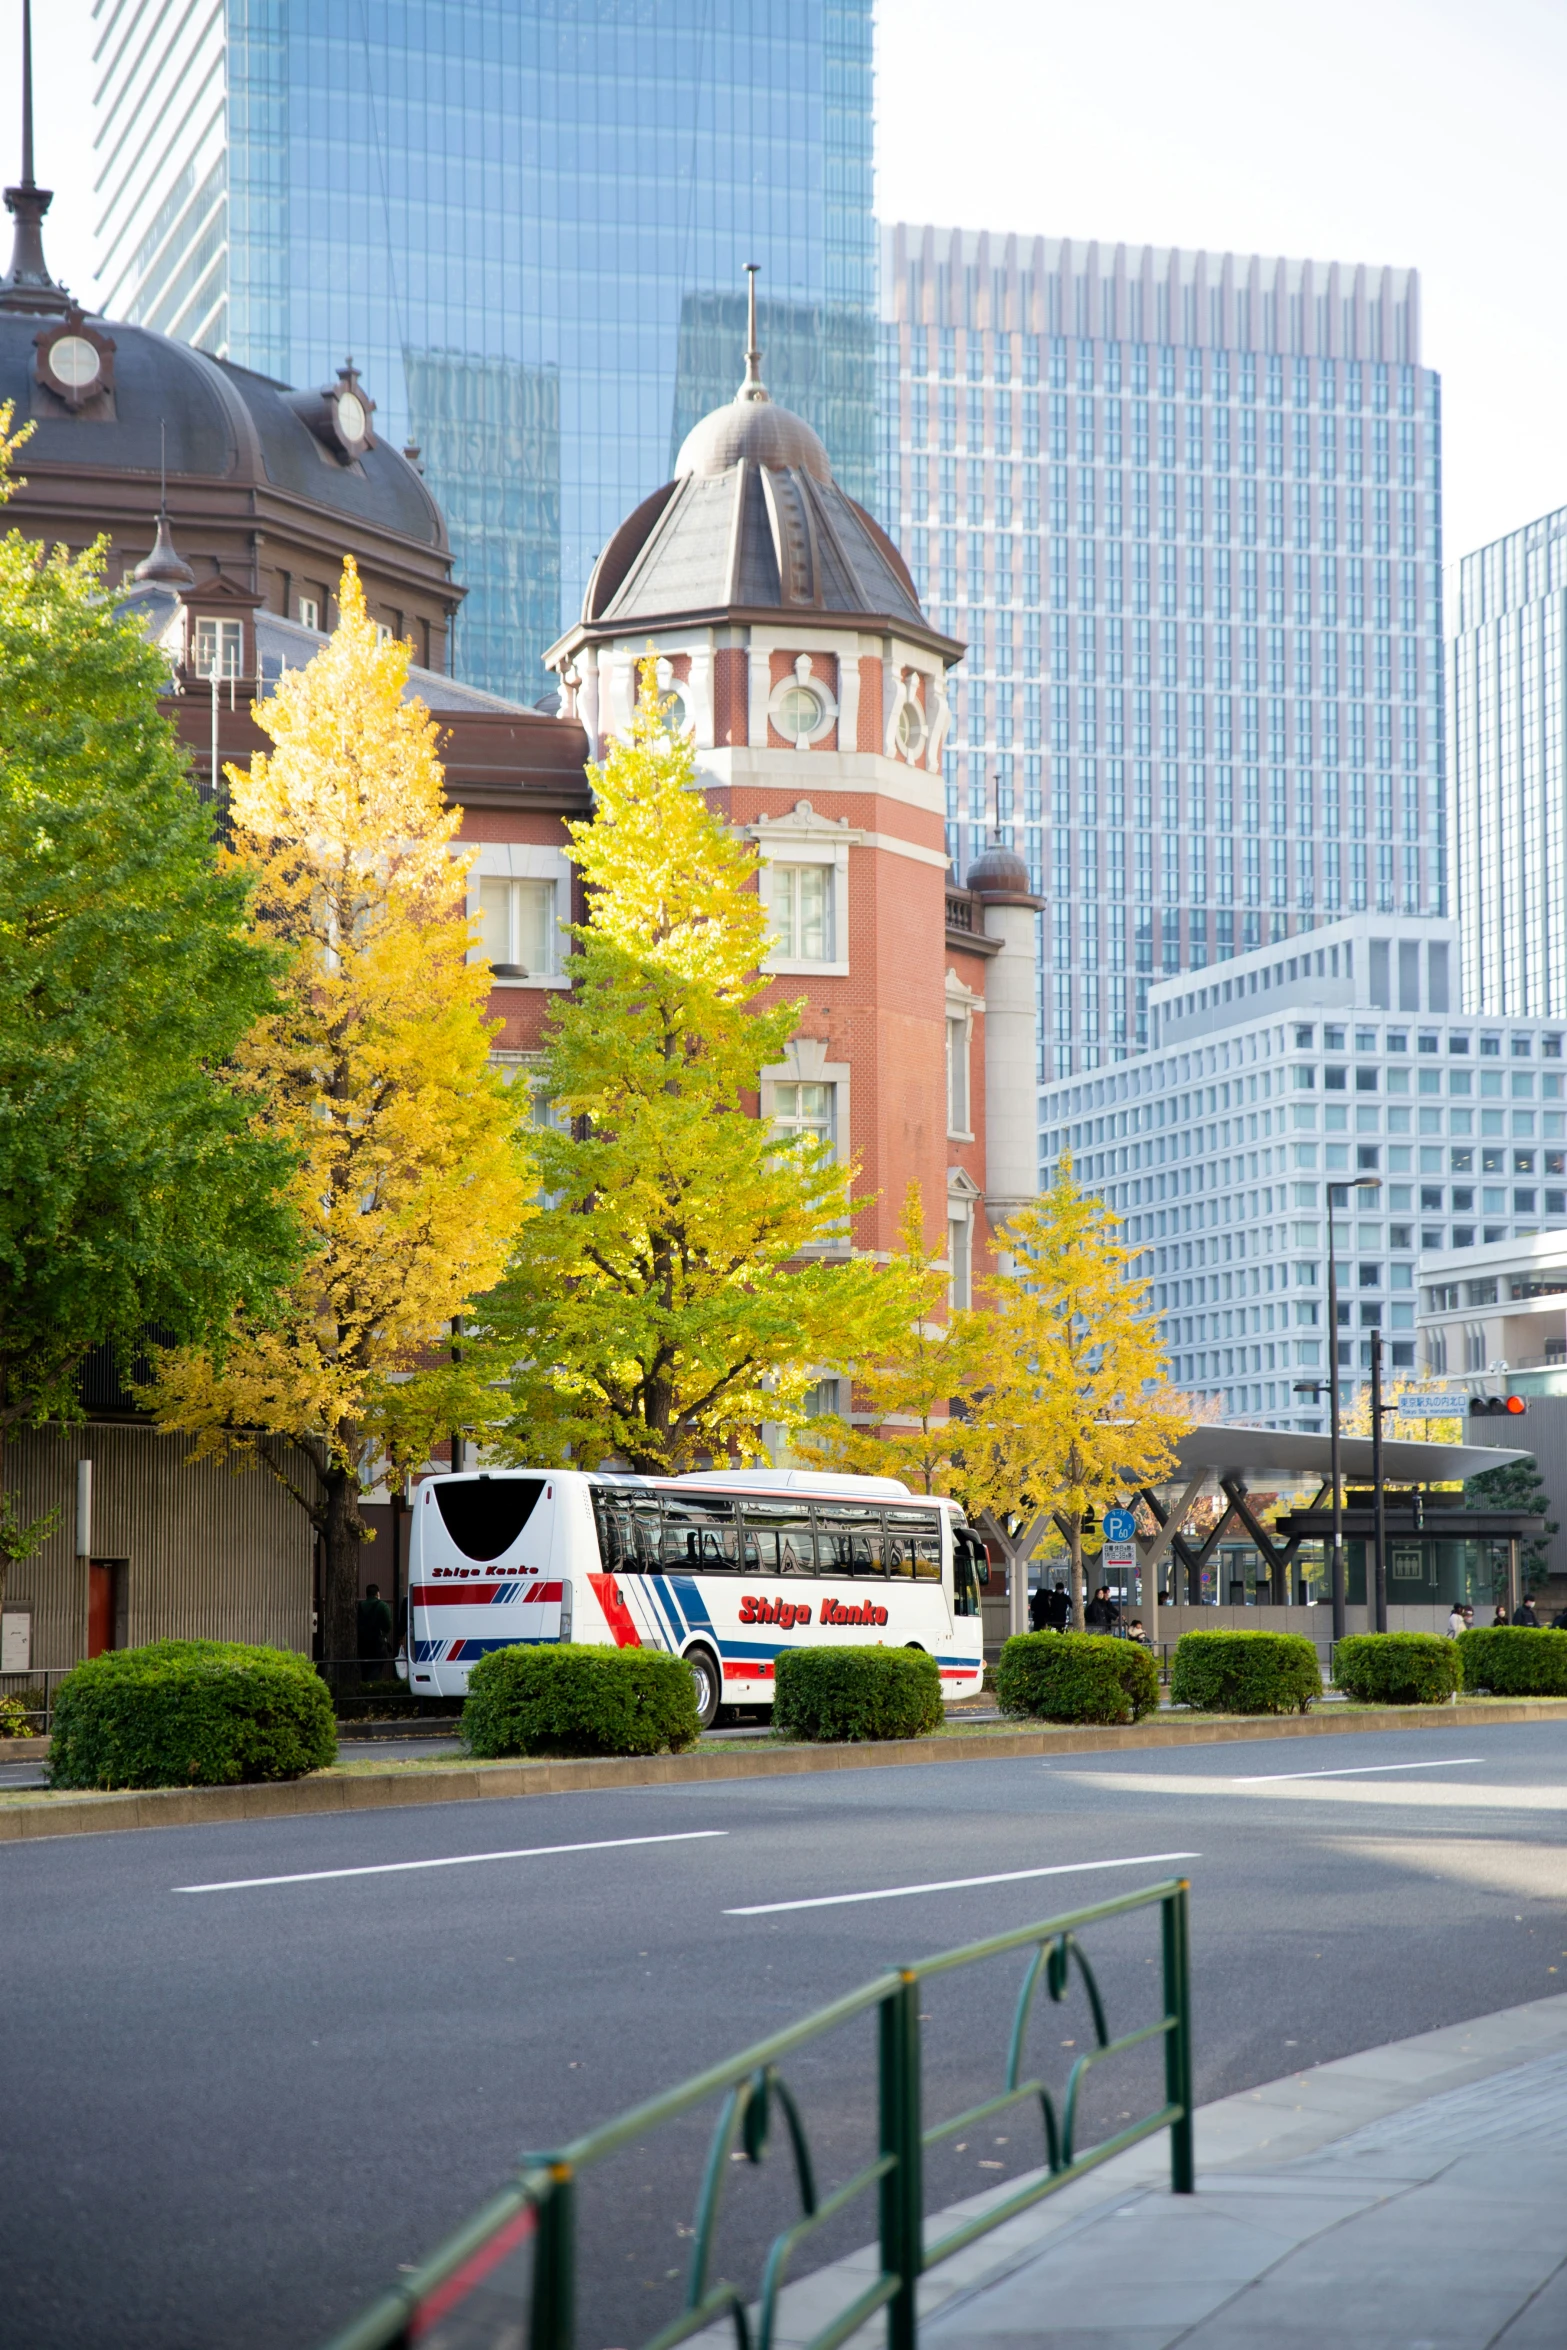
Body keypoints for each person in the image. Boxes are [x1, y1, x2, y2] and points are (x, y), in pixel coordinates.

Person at [357, 1580, 394, 1672]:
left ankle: (365, 1685)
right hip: (378, 1643)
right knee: (376, 1670)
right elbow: (388, 1625)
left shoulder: (360, 1606)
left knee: (365, 1670)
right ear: (377, 1594)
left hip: (363, 1643)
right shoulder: (382, 1606)